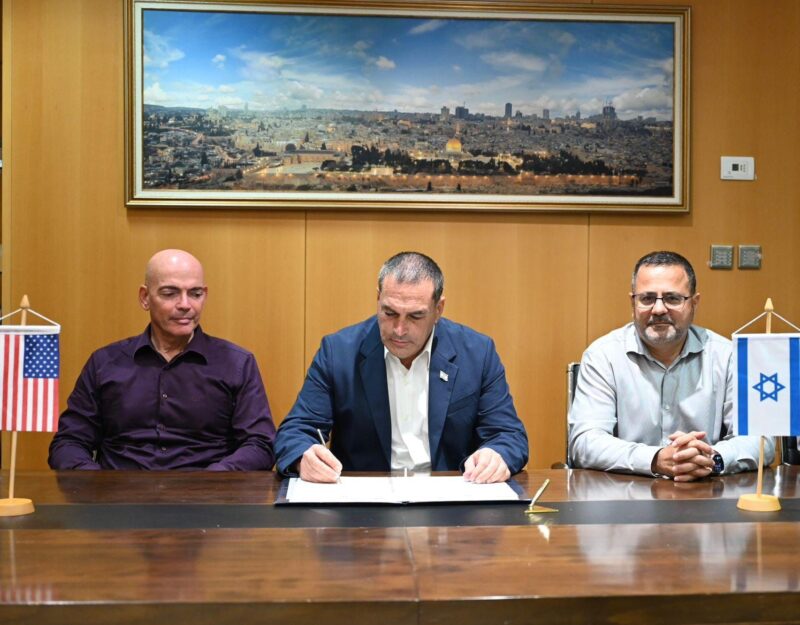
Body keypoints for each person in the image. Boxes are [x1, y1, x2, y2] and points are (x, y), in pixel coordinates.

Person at [275, 251, 528, 483]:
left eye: (415, 316)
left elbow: (508, 435)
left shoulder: (477, 353)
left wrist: (496, 455)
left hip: (451, 500)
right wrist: (303, 456)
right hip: (363, 503)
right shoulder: (339, 352)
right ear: (378, 299)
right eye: (390, 313)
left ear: (438, 309)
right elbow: (295, 432)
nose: (399, 329)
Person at [48, 249, 276, 470]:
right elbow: (69, 442)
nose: (185, 304)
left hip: (208, 491)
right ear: (145, 298)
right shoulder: (104, 363)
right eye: (170, 293)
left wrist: (214, 480)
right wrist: (97, 483)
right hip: (118, 490)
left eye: (195, 294)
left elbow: (260, 445)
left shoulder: (236, 364)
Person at [569, 250, 773, 481]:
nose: (658, 309)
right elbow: (585, 441)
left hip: (707, 492)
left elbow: (761, 440)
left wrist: (711, 459)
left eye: (672, 298)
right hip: (625, 492)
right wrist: (655, 459)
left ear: (694, 303)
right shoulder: (603, 355)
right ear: (633, 303)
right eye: (647, 298)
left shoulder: (728, 356)